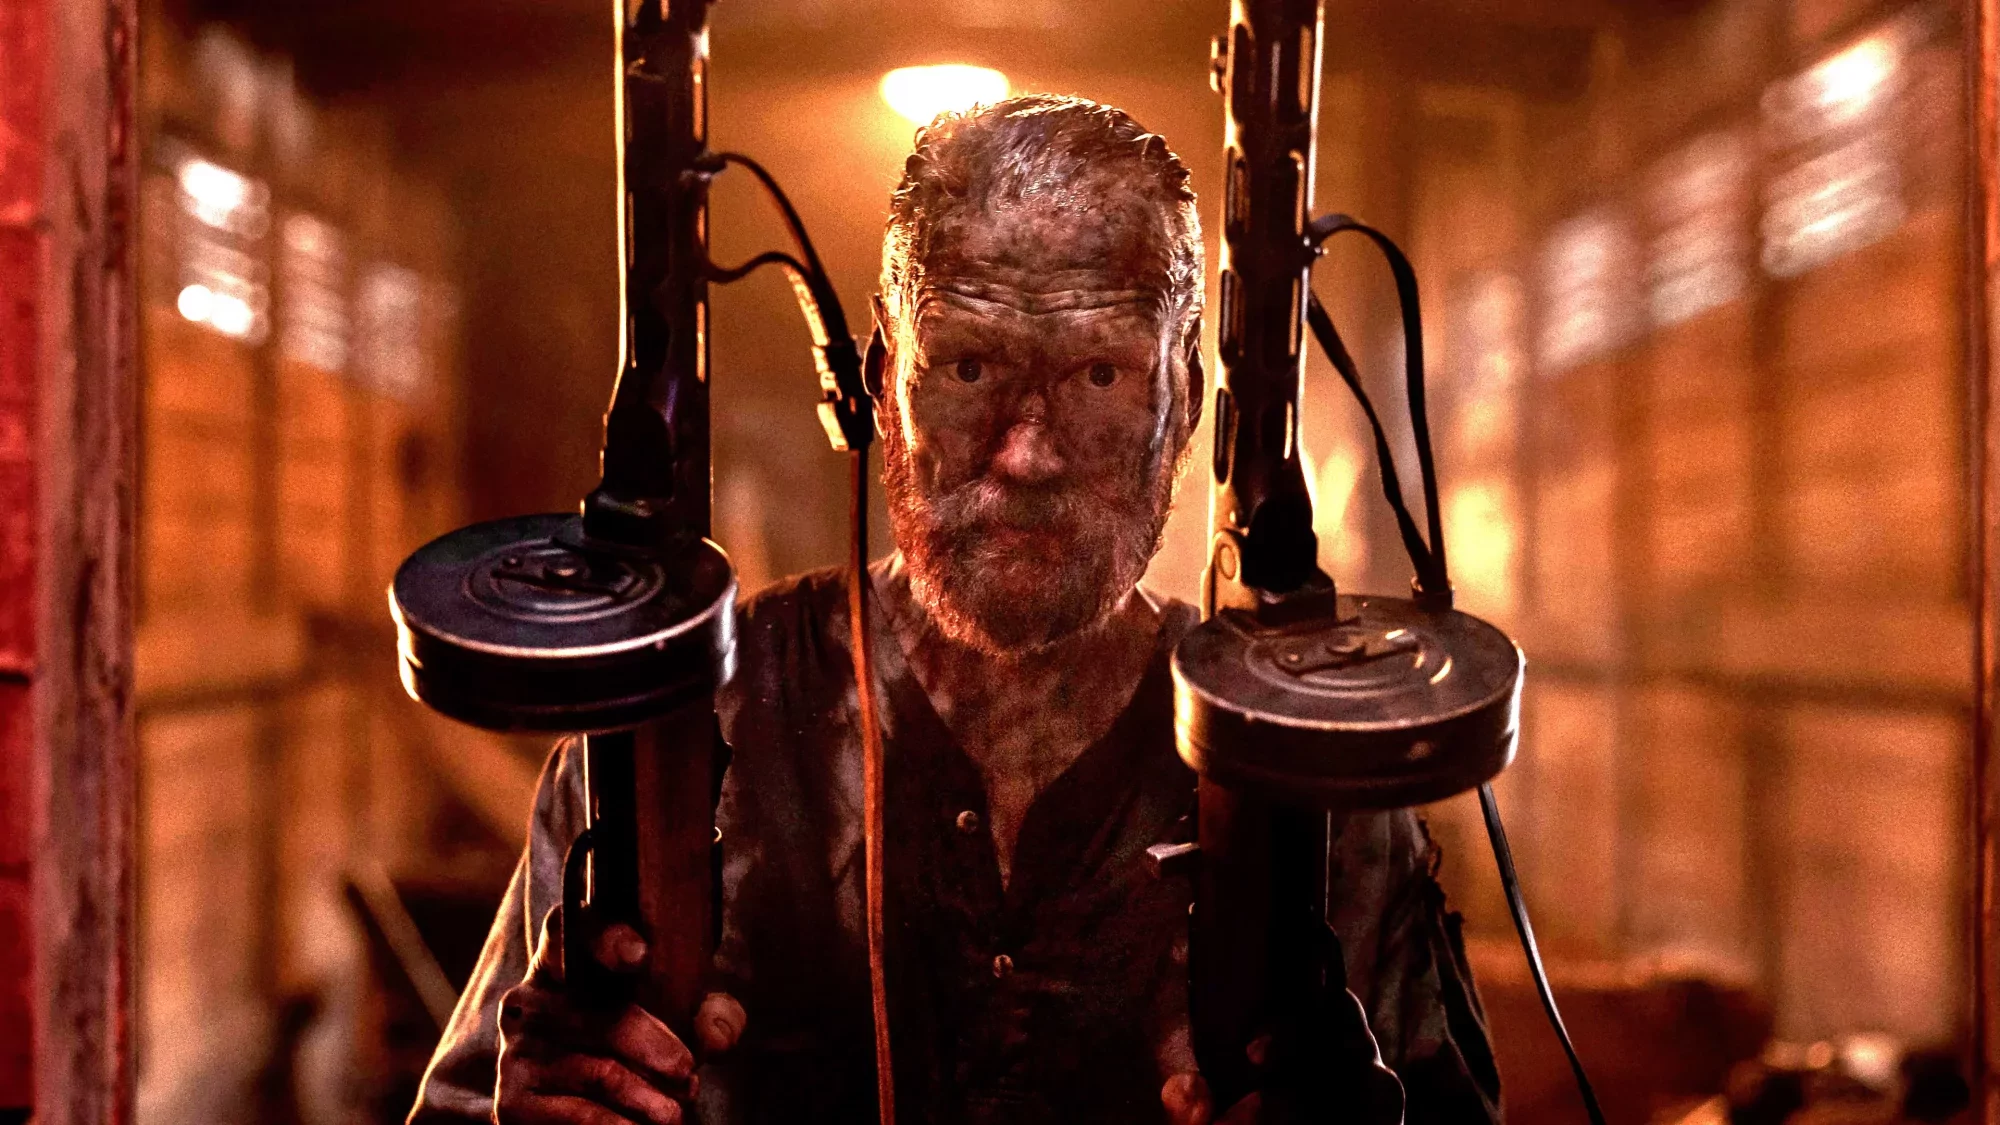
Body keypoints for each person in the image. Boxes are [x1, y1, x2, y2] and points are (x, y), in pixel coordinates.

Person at [409, 94, 1500, 1125]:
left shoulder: (1306, 780)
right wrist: (530, 1105)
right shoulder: (682, 726)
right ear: (882, 384)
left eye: (1099, 377)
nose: (1027, 453)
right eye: (969, 367)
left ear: (1184, 406)